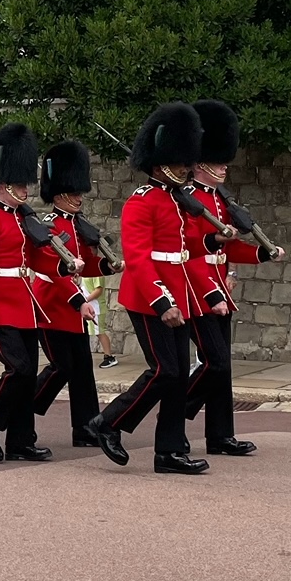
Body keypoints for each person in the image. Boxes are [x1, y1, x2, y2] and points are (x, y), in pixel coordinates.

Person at [83, 102, 210, 475]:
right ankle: (108, 422)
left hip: (180, 295)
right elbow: (139, 258)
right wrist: (162, 301)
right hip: (149, 298)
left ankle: (168, 452)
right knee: (164, 371)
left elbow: (186, 249)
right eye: (182, 162)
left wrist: (215, 241)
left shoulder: (178, 199)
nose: (188, 168)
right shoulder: (141, 201)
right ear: (161, 164)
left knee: (178, 377)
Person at [181, 100, 282, 458]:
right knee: (215, 362)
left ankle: (220, 435)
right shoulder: (189, 199)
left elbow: (225, 250)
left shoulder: (218, 199)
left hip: (220, 285)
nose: (224, 166)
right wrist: (212, 293)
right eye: (218, 161)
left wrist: (261, 253)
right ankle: (176, 412)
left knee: (223, 369)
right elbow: (191, 252)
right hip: (196, 289)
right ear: (201, 163)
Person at [0, 122, 52, 464]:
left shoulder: (23, 219)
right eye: (19, 184)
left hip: (24, 303)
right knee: (17, 368)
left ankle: (21, 440)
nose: (25, 189)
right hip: (0, 305)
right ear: (3, 185)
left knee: (28, 372)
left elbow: (33, 259)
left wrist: (65, 265)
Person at [30, 140, 111, 446]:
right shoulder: (48, 226)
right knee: (61, 367)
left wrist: (107, 266)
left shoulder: (78, 226)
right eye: (74, 192)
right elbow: (53, 269)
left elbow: (83, 267)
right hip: (53, 305)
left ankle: (86, 427)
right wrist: (79, 302)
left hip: (73, 309)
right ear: (59, 194)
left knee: (82, 371)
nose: (79, 197)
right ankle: (21, 409)